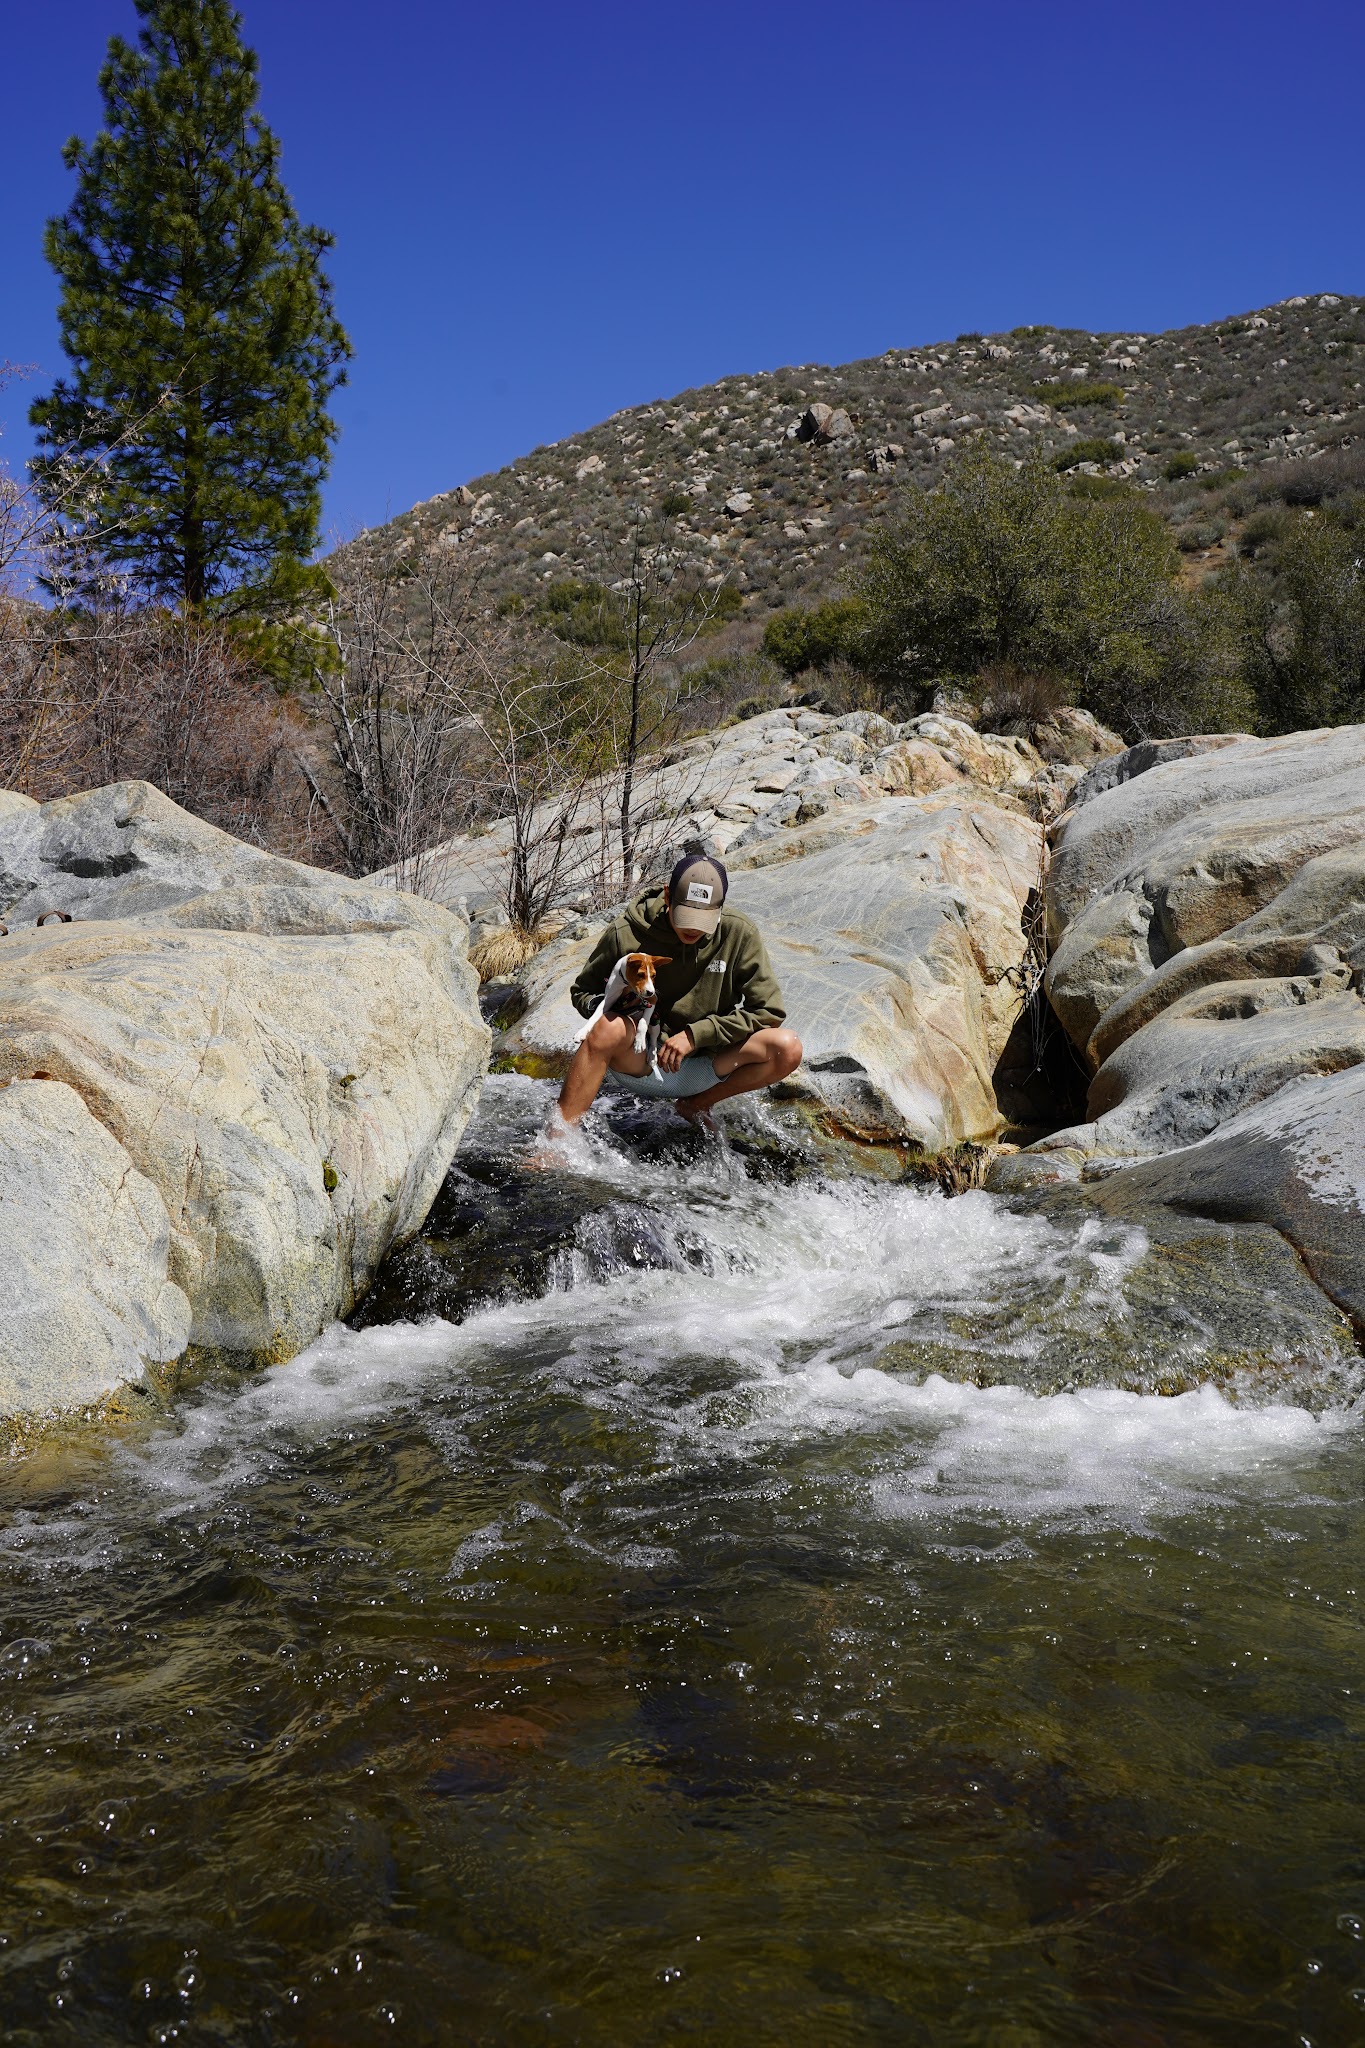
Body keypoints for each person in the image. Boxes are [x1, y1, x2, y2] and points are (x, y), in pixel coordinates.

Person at [557, 854, 802, 1128]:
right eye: (686, 915)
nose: (694, 928)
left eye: (704, 918)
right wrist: (611, 1007)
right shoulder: (627, 933)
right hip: (640, 1060)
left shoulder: (739, 933)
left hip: (708, 1062)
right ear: (667, 895)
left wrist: (696, 1035)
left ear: (721, 908)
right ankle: (557, 1141)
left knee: (787, 1047)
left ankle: (696, 1105)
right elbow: (583, 992)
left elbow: (769, 1012)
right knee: (607, 1027)